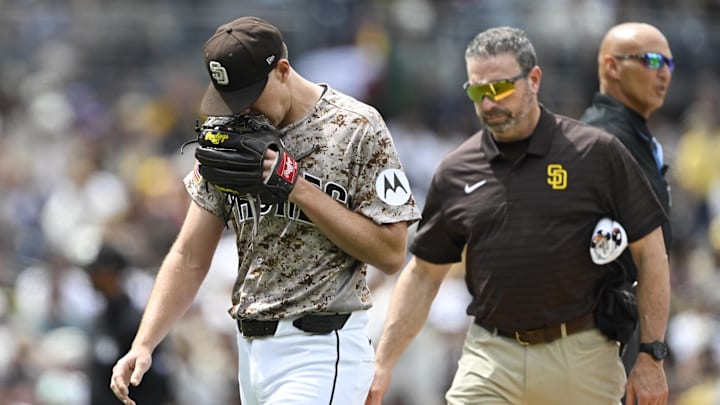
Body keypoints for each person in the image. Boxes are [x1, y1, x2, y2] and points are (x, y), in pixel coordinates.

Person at [109, 16, 421, 405]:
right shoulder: (230, 135)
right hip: (251, 353)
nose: (241, 109)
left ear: (282, 71)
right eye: (230, 97)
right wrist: (144, 343)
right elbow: (189, 255)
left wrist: (298, 188)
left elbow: (392, 253)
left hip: (321, 349)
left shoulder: (357, 127)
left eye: (250, 94)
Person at [366, 26, 670, 405]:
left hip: (581, 354)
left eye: (501, 88)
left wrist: (651, 354)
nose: (490, 103)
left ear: (535, 80)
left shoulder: (596, 153)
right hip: (492, 355)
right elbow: (424, 274)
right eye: (479, 91)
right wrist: (382, 362)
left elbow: (651, 252)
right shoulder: (457, 169)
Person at [579, 22, 674, 378]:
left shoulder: (633, 136)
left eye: (669, 63)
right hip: (597, 334)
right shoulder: (600, 138)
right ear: (611, 66)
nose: (663, 72)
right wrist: (650, 352)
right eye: (651, 60)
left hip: (620, 324)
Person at [85, 243, 175, 405]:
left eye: (95, 271)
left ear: (112, 273)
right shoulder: (101, 318)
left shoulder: (136, 322)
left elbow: (157, 382)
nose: (90, 277)